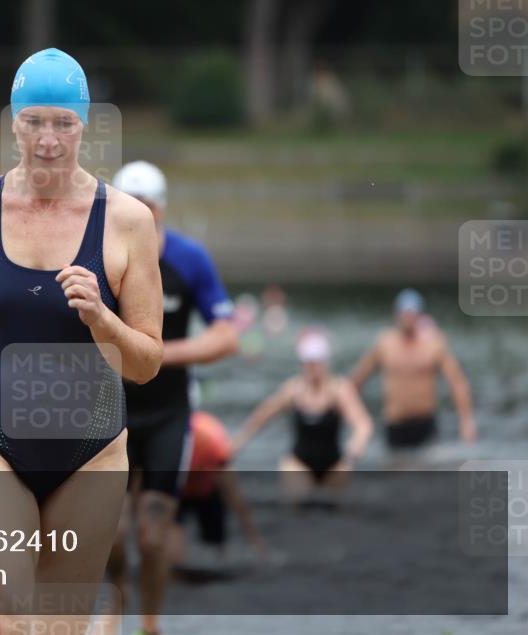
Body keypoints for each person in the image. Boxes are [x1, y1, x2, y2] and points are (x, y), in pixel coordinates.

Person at [0, 48, 163, 633]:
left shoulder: (128, 221)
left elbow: (147, 362)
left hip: (92, 455)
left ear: (84, 125)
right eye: (34, 122)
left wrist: (103, 319)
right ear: (13, 122)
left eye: (63, 123)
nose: (48, 140)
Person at [105, 161, 239, 635]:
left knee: (153, 533)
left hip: (168, 413)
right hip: (111, 412)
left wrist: (157, 354)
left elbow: (227, 335)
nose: (141, 216)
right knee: (112, 534)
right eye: (131, 206)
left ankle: (150, 623)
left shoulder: (188, 258)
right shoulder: (99, 256)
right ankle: (115, 611)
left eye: (148, 207)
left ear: (161, 209)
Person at [232, 331, 373, 503]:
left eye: (316, 362)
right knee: (298, 500)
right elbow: (262, 416)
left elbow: (362, 423)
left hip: (334, 464)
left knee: (337, 507)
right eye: (308, 362)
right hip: (299, 462)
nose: (312, 368)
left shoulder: (339, 390)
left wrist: (357, 443)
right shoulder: (293, 390)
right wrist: (238, 442)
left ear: (326, 362)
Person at [351, 289, 476, 449]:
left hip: (425, 423)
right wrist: (358, 419)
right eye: (404, 313)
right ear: (396, 314)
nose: (408, 318)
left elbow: (457, 382)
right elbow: (358, 379)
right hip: (395, 424)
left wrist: (466, 420)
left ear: (419, 315)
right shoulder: (385, 344)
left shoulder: (433, 345)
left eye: (411, 314)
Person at [168, 411, 268, 566]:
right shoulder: (169, 442)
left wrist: (256, 541)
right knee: (173, 552)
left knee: (215, 549)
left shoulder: (212, 441)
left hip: (207, 491)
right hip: (176, 490)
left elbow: (235, 496)